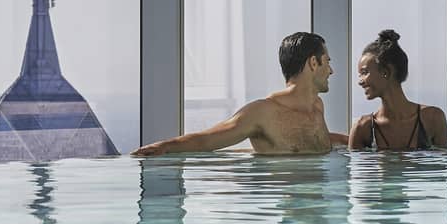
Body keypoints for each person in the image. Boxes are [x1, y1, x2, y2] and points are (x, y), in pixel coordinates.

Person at [132, 32, 346, 156]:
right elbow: (208, 140)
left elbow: (313, 141)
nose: (331, 71)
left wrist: (352, 140)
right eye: (327, 62)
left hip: (320, 202)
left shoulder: (316, 106)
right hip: (290, 208)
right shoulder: (263, 112)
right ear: (313, 62)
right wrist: (165, 146)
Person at [348, 30, 447, 151]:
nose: (360, 81)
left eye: (364, 73)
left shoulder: (433, 119)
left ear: (386, 72)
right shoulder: (362, 128)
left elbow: (444, 166)